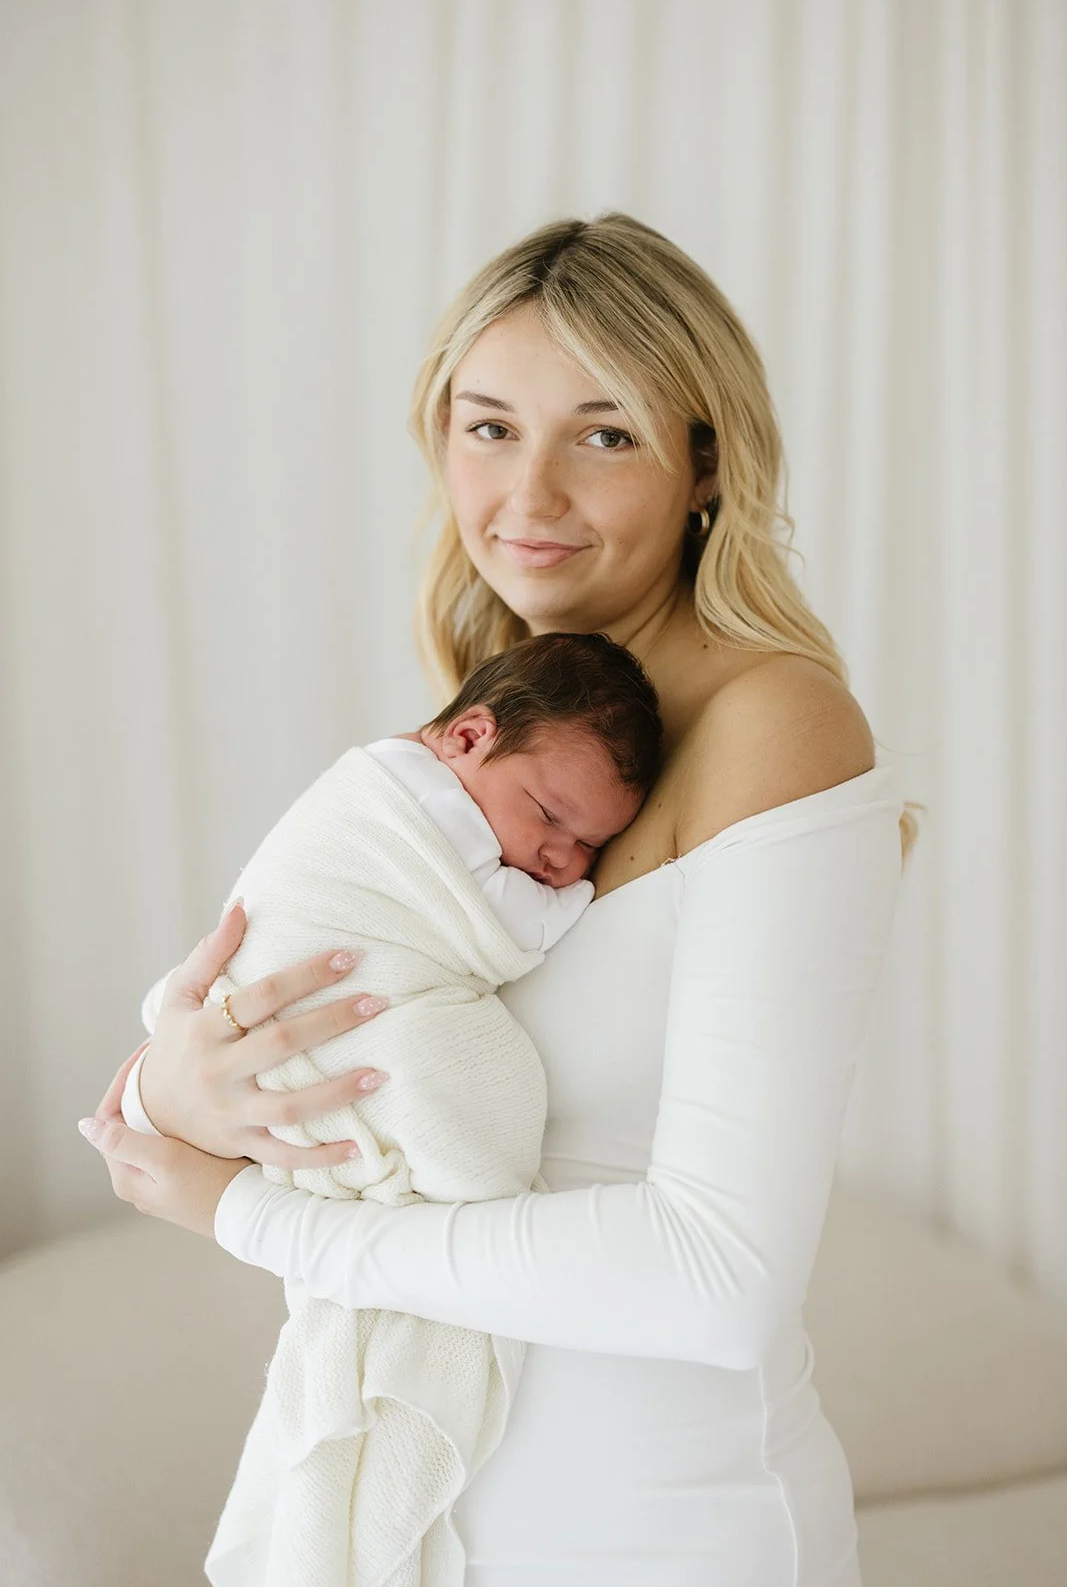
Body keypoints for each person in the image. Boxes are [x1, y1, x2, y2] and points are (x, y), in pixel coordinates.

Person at [83, 211, 917, 1587]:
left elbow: (713, 1278)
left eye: (601, 434)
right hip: (409, 1524)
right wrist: (184, 1088)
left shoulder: (776, 723)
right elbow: (272, 1061)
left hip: (652, 1533)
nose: (527, 496)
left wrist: (244, 1216)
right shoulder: (486, 770)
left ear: (702, 462)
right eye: (487, 428)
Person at [119, 628, 659, 1586]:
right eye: (547, 816)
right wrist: (158, 1091)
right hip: (309, 1021)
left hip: (276, 1084)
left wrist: (162, 1094)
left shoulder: (454, 793)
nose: (560, 861)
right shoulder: (410, 813)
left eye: (590, 847)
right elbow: (501, 940)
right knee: (462, 1071)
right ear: (464, 741)